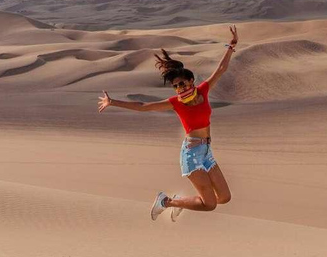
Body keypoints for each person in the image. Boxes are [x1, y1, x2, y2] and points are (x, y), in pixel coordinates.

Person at [97, 25, 238, 221]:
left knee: (224, 197)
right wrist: (113, 102)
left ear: (191, 80)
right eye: (176, 86)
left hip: (206, 151)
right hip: (192, 153)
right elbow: (144, 106)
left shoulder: (203, 91)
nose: (179, 88)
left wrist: (231, 46)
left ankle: (180, 200)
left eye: (182, 83)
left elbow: (221, 70)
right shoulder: (176, 103)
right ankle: (167, 202)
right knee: (209, 205)